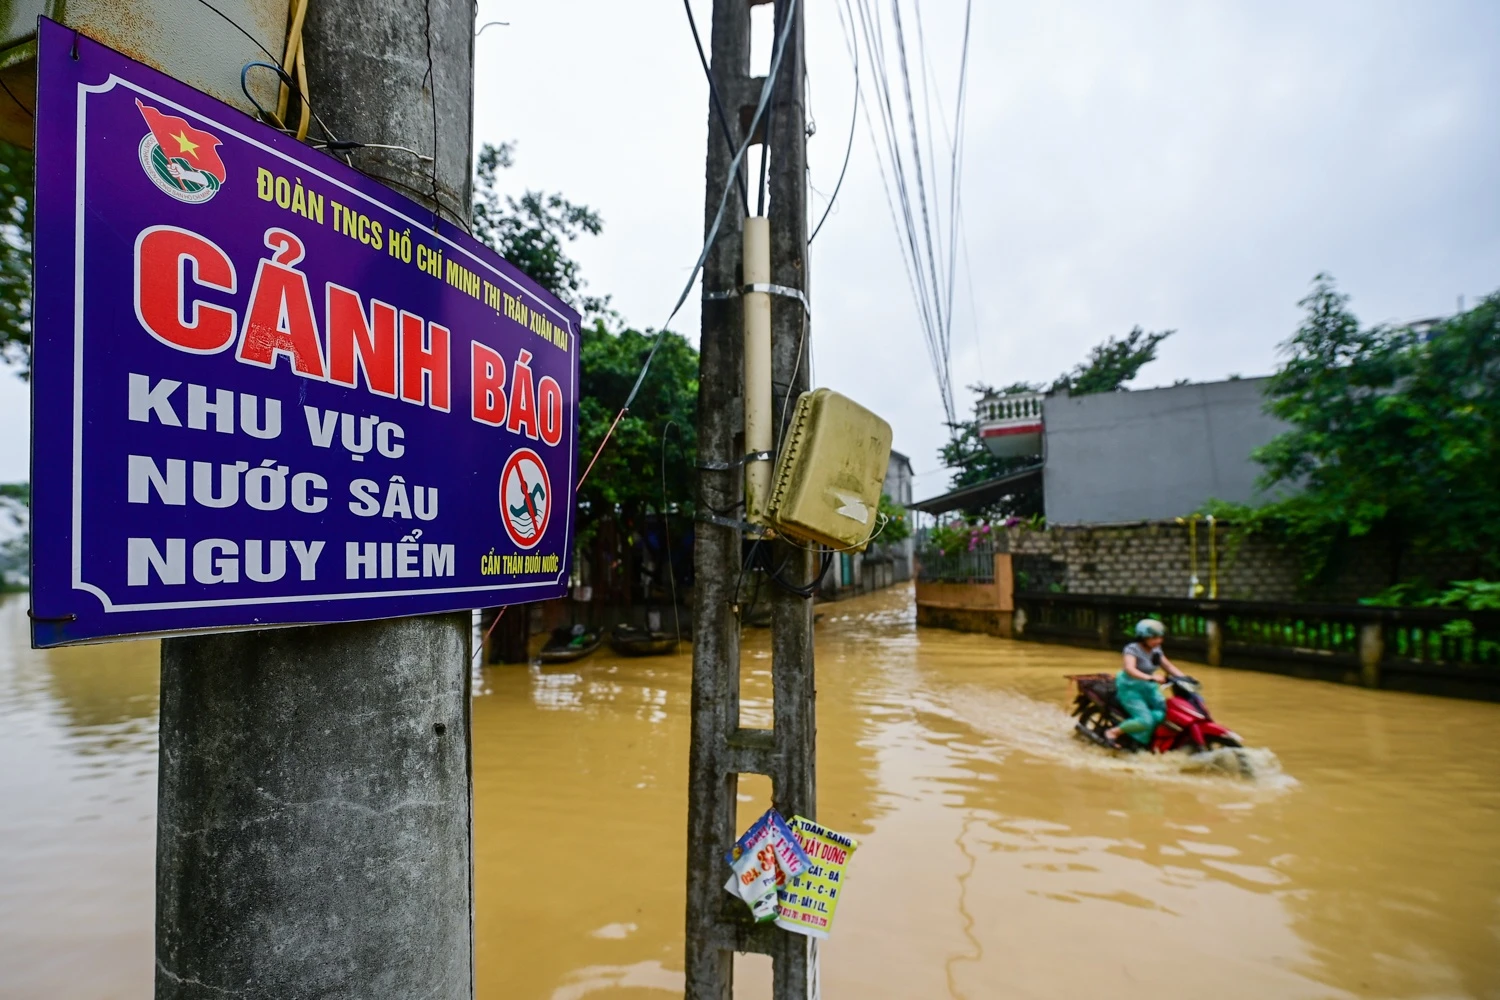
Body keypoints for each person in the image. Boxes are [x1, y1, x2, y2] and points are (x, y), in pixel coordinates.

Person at [1103, 619, 1185, 748]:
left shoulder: (1156, 649)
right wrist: (1150, 677)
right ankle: (1113, 732)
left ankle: (1144, 738)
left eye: (1160, 637)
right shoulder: (1132, 649)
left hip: (1148, 688)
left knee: (1166, 711)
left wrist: (1185, 678)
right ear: (1143, 637)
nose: (1158, 641)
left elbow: (1168, 666)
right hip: (1131, 688)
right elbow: (1130, 669)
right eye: (1154, 638)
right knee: (1145, 721)